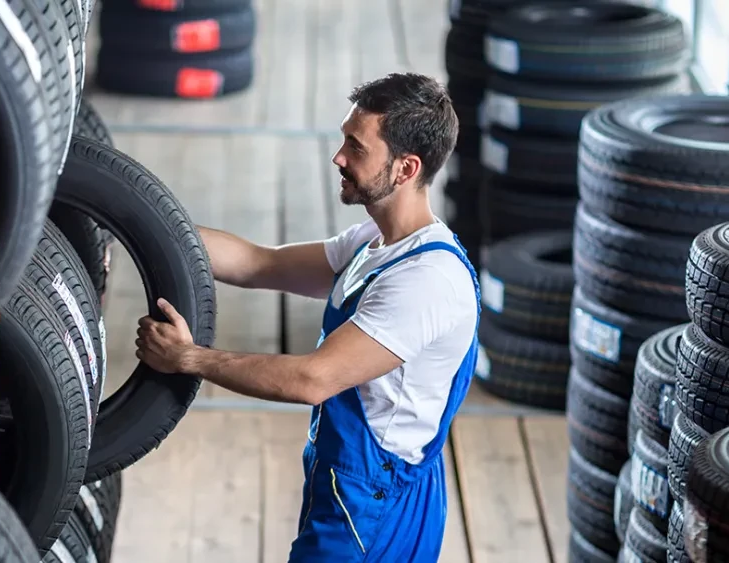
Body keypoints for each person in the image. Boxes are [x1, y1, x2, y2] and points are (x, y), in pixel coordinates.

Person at [135, 72, 481, 562]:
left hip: (375, 508)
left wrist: (189, 358)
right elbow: (260, 263)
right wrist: (138, 220)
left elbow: (312, 379)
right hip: (348, 483)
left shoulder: (425, 281)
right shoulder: (375, 242)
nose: (339, 157)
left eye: (356, 148)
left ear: (406, 169)